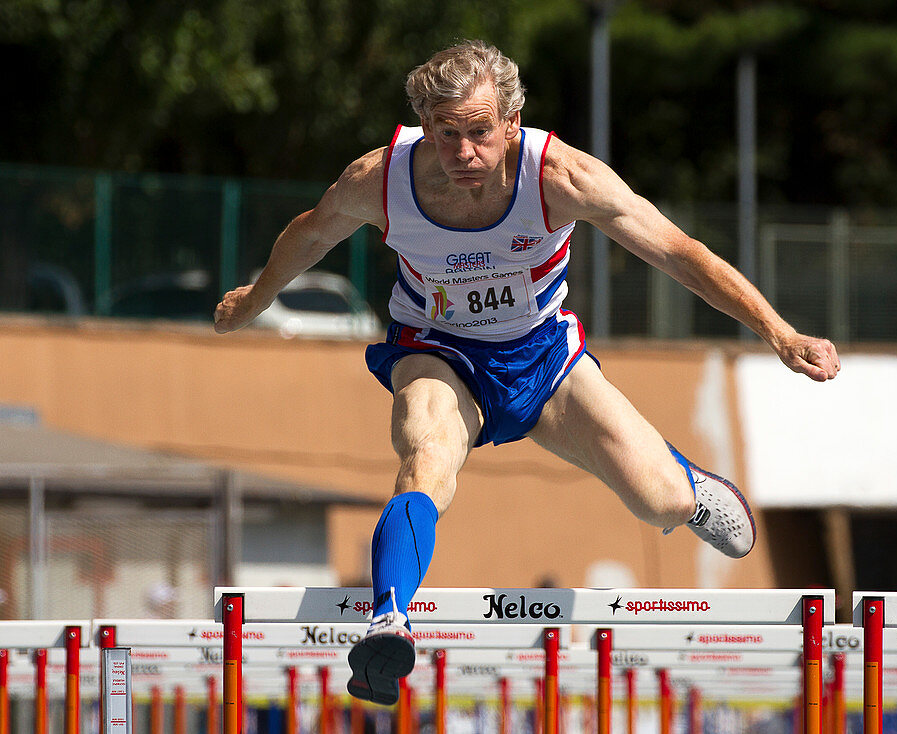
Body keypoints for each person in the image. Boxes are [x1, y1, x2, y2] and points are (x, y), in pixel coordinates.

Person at [214, 40, 840, 705]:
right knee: (425, 455)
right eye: (446, 134)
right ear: (426, 127)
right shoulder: (380, 178)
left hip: (544, 359)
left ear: (512, 123)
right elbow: (310, 233)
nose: (463, 156)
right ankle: (387, 620)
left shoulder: (562, 177)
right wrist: (255, 299)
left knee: (654, 499)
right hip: (437, 350)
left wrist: (778, 329)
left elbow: (682, 254)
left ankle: (686, 485)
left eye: (480, 133)